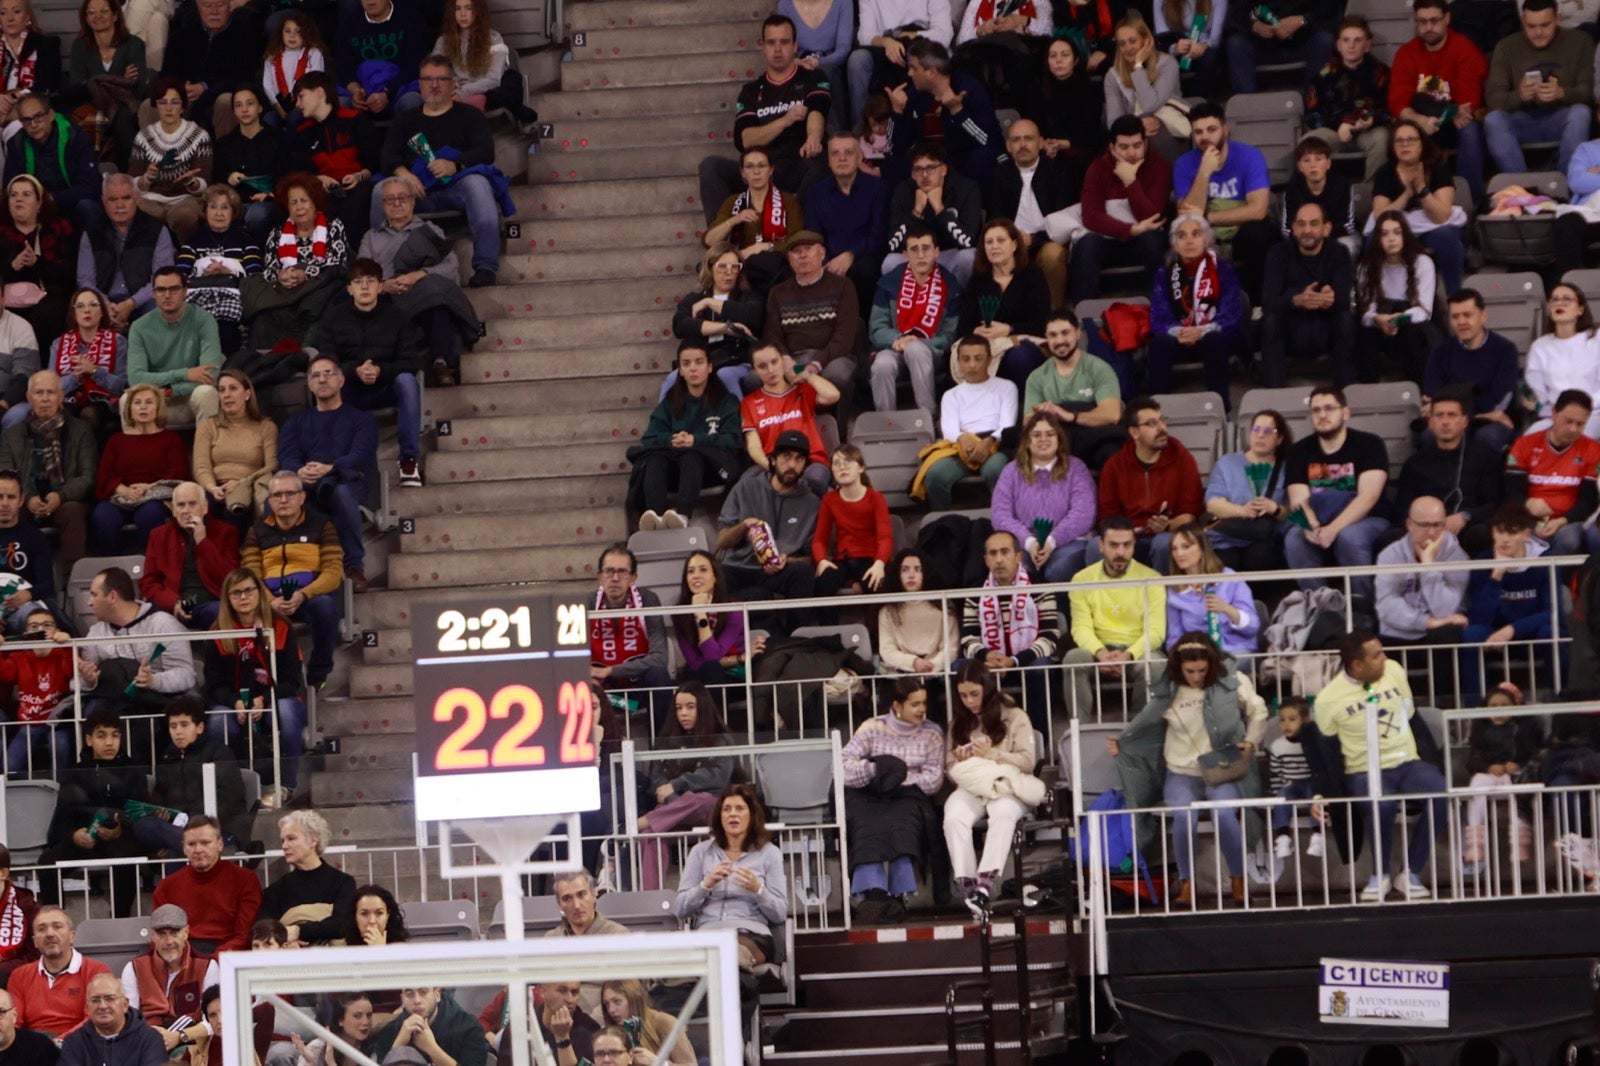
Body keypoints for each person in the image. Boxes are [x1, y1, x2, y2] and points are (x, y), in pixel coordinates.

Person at [1110, 631, 1268, 905]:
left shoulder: (1234, 680)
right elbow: (1144, 727)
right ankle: (1187, 884)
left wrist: (1251, 742)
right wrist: (1122, 743)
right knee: (1183, 817)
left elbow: (1259, 711)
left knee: (1224, 815)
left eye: (1202, 670)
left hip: (1222, 769)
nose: (1196, 676)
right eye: (1190, 671)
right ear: (1178, 668)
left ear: (1212, 664)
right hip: (1180, 770)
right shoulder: (1167, 689)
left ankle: (1238, 881)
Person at [1313, 630, 1447, 900]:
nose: (1385, 659)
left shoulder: (1395, 671)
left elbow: (1410, 716)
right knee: (1381, 803)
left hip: (1407, 761)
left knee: (1440, 792)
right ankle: (1380, 874)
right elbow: (1326, 753)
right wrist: (1321, 792)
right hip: (1363, 769)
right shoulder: (1328, 699)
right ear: (1357, 666)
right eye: (1376, 656)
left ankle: (1410, 873)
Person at [377, 54, 508, 287]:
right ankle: (382, 272)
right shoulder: (405, 120)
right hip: (415, 191)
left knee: (479, 184)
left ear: (453, 84)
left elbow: (485, 152)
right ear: (419, 84)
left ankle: (486, 266)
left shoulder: (470, 116)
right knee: (380, 190)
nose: (434, 85)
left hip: (457, 186)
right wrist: (405, 175)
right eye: (428, 79)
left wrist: (455, 164)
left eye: (441, 79)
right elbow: (387, 156)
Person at [700, 15, 829, 224]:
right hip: (761, 168)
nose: (777, 49)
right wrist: (785, 120)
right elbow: (746, 140)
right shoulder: (751, 91)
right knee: (710, 167)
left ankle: (797, 235)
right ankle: (722, 242)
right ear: (763, 46)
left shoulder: (812, 78)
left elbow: (817, 110)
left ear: (795, 46)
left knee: (824, 164)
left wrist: (814, 136)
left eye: (784, 42)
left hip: (799, 163)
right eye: (771, 42)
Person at [309, 256, 423, 488]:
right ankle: (334, 463)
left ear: (381, 287)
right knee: (325, 380)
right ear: (349, 289)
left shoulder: (398, 317)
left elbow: (410, 361)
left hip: (386, 385)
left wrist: (380, 371)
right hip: (348, 387)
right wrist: (354, 371)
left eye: (370, 281)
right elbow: (326, 358)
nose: (364, 286)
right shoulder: (333, 317)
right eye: (358, 281)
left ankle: (409, 460)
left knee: (408, 382)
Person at [356, 176, 481, 388]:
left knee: (437, 299)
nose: (397, 203)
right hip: (386, 299)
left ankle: (440, 364)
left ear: (413, 201)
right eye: (390, 199)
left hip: (422, 297)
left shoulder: (431, 231)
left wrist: (418, 275)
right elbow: (360, 274)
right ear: (382, 205)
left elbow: (450, 267)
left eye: (402, 198)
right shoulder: (371, 237)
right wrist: (383, 285)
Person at [841, 676, 945, 922]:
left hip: (908, 794)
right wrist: (877, 770)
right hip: (870, 791)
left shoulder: (932, 733)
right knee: (866, 825)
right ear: (897, 706)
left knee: (903, 824)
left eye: (924, 704)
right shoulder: (871, 727)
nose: (922, 710)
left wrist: (901, 778)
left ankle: (900, 893)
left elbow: (934, 779)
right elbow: (843, 765)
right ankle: (872, 892)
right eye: (915, 704)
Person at [944, 661, 1043, 915]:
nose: (969, 701)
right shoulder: (959, 723)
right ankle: (967, 886)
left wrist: (994, 754)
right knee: (954, 814)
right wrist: (961, 758)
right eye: (963, 695)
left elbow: (1028, 762)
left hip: (1009, 784)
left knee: (1003, 813)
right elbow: (950, 768)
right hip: (975, 785)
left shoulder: (1015, 715)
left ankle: (985, 886)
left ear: (987, 688)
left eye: (974, 694)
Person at [204, 567, 306, 806]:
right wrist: (234, 702)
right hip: (234, 701)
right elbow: (213, 683)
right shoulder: (218, 631)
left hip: (275, 697)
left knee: (288, 714)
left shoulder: (280, 626)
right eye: (236, 592)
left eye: (249, 590)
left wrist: (264, 700)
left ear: (259, 592)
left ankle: (286, 785)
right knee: (218, 721)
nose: (243, 597)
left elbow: (292, 681)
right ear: (227, 598)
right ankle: (228, 787)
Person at [276, 353, 379, 590]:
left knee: (340, 493)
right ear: (310, 385)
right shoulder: (295, 423)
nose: (322, 380)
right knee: (274, 500)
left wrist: (330, 468)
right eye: (315, 376)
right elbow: (286, 457)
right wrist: (299, 471)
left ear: (341, 381)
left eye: (328, 373)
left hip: (348, 483)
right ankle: (283, 568)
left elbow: (359, 456)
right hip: (308, 485)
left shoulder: (362, 420)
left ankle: (354, 566)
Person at [35, 710, 147, 914]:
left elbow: (141, 813)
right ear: (89, 739)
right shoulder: (74, 772)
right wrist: (74, 835)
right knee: (47, 862)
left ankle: (121, 920)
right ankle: (55, 919)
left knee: (126, 858)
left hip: (121, 840)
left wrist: (121, 830)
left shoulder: (133, 770)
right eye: (102, 735)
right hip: (83, 839)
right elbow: (63, 816)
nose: (110, 742)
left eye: (115, 735)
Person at [1283, 386, 1390, 597]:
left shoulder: (1370, 444)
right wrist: (1309, 525)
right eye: (1316, 410)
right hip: (1319, 519)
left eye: (1329, 408)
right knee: (1295, 538)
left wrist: (1333, 529)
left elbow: (1369, 496)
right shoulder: (1299, 451)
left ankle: (1362, 608)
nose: (1322, 415)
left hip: (1367, 518)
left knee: (1349, 537)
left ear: (1345, 413)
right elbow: (1298, 499)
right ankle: (1320, 605)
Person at [240, 470, 343, 689]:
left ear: (302, 497)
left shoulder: (322, 524)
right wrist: (268, 600)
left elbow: (333, 572)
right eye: (277, 495)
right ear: (269, 500)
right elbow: (250, 574)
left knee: (325, 606)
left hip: (307, 597)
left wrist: (303, 594)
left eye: (289, 493)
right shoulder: (256, 531)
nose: (283, 500)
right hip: (269, 600)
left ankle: (318, 673)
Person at [958, 529, 1064, 728]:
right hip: (989, 664)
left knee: (1041, 668)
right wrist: (988, 656)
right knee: (959, 668)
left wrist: (1014, 660)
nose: (999, 559)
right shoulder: (975, 590)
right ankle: (971, 733)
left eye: (1005, 552)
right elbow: (968, 638)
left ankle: (1040, 739)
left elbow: (1050, 637)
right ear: (985, 560)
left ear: (1018, 557)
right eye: (993, 553)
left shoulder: (1039, 586)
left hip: (1027, 661)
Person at [630, 342, 741, 531]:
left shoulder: (726, 401)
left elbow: (733, 440)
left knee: (692, 455)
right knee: (655, 459)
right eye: (687, 364)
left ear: (709, 367)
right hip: (674, 471)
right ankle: (655, 518)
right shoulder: (671, 401)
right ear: (680, 370)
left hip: (711, 469)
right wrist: (673, 439)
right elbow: (650, 438)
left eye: (699, 362)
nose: (693, 368)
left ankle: (682, 516)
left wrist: (696, 440)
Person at [1172, 102, 1276, 302]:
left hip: (1242, 231)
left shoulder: (1250, 156)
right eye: (1198, 132)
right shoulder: (1184, 164)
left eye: (1212, 130)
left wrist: (1208, 217)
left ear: (1225, 129)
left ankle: (1257, 304)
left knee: (1258, 233)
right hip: (1205, 234)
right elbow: (1187, 217)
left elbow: (1258, 210)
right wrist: (1204, 172)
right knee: (1183, 237)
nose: (1205, 137)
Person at [1065, 518, 1167, 721]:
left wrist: (1128, 655)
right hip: (1097, 650)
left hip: (1136, 652)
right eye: (1114, 545)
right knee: (1073, 658)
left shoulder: (1152, 579)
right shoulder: (1081, 579)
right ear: (1101, 546)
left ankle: (1141, 733)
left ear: (1134, 546)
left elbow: (1156, 632)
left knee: (1154, 663)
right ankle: (1079, 734)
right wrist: (1101, 653)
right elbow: (1080, 628)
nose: (1121, 552)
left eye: (1127, 545)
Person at [1389, 0, 1487, 206]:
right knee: (1404, 133)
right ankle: (1407, 200)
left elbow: (1469, 101)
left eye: (1434, 21)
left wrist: (1445, 113)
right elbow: (1397, 102)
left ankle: (1471, 202)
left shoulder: (1463, 48)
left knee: (1470, 130)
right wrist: (1419, 118)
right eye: (1422, 22)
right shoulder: (1406, 53)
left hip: (1454, 122)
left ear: (1447, 19)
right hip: (1421, 121)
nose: (1428, 27)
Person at [635, 682, 733, 889]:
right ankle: (650, 895)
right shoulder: (666, 740)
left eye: (690, 706)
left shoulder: (720, 738)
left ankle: (650, 818)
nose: (683, 713)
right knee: (650, 834)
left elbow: (719, 776)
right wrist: (674, 798)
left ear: (702, 707)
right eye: (679, 708)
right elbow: (657, 779)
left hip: (709, 808)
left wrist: (677, 784)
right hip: (675, 809)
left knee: (702, 799)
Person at [1461, 502, 1563, 701]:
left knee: (1552, 632)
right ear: (1492, 533)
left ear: (1526, 535)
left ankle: (1560, 703)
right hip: (1495, 637)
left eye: (1512, 533)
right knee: (1471, 634)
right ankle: (1473, 712)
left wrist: (1512, 630)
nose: (1505, 539)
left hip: (1531, 634)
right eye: (1500, 532)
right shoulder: (1483, 562)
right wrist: (1496, 576)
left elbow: (1552, 612)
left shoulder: (1546, 561)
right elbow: (1479, 617)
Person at [1375, 495, 1470, 704]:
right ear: (1409, 524)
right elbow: (1387, 605)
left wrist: (1428, 567)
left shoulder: (1456, 556)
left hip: (1440, 633)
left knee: (1447, 637)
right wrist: (1427, 622)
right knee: (1374, 645)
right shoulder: (1390, 556)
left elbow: (1445, 609)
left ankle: (1447, 711)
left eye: (1438, 525)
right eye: (1425, 525)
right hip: (1400, 631)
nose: (1433, 532)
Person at [1, 371, 95, 577]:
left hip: (65, 502)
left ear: (61, 396)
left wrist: (60, 496)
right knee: (6, 505)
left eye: (51, 393)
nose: (45, 399)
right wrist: (27, 498)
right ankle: (10, 578)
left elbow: (87, 477)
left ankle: (74, 580)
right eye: (39, 393)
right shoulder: (12, 434)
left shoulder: (81, 430)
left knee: (73, 511)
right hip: (26, 501)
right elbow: (6, 477)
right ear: (28, 397)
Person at [1095, 396, 1204, 573]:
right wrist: (1129, 531)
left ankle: (1162, 598)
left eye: (1162, 421)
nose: (1162, 428)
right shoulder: (1115, 465)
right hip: (1127, 535)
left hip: (1168, 534)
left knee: (1163, 543)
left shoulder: (1181, 458)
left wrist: (1168, 525)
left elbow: (1190, 514)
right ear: (1134, 432)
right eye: (1152, 424)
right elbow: (1107, 516)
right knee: (1096, 546)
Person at [1484, 0, 1594, 175]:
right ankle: (1523, 188)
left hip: (1561, 118)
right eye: (1531, 26)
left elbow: (1588, 93)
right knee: (1493, 120)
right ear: (1522, 22)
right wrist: (1519, 95)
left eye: (1545, 25)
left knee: (1581, 112)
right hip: (1522, 120)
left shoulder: (1580, 42)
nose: (1538, 32)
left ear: (1558, 19)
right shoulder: (1506, 47)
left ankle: (1565, 184)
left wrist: (1562, 93)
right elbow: (1493, 98)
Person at [1391, 390, 1502, 557]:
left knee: (1481, 534)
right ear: (1431, 422)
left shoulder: (1485, 459)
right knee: (1389, 538)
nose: (1445, 422)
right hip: (1423, 527)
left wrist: (1466, 516)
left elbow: (1495, 504)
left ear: (1464, 421)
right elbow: (1402, 507)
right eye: (1440, 416)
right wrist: (1424, 525)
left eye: (1452, 415)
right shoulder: (1415, 463)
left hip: (1466, 527)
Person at [1148, 213, 1245, 403]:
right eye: (1182, 236)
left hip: (1215, 334)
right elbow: (1159, 317)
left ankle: (1220, 407)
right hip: (1179, 336)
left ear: (1206, 239)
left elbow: (1231, 312)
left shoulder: (1223, 269)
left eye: (1196, 234)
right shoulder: (1164, 274)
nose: (1189, 241)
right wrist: (1181, 332)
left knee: (1214, 340)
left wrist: (1201, 331)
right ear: (1175, 243)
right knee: (1159, 344)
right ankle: (1157, 407)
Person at [716, 429, 820, 603]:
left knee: (803, 572)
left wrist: (789, 560)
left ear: (805, 466)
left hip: (780, 571)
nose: (792, 465)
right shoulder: (746, 488)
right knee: (717, 576)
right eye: (786, 457)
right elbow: (722, 541)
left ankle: (797, 631)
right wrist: (744, 526)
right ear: (773, 460)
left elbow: (813, 556)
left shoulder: (812, 503)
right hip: (741, 567)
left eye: (799, 459)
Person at [989, 412, 1095, 583]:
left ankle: (1059, 610)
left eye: (1050, 434)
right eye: (1036, 435)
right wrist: (1029, 542)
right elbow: (1000, 515)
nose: (1043, 439)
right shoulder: (1011, 471)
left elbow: (1083, 514)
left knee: (1059, 568)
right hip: (1024, 544)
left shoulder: (1076, 468)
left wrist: (1052, 541)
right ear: (1027, 441)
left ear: (1059, 439)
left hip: (1069, 542)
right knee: (1015, 567)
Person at [133, 697, 248, 853]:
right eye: (173, 726)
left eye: (184, 725)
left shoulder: (219, 752)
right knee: (143, 825)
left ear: (199, 727)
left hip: (218, 829)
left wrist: (190, 821)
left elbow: (230, 797)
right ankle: (185, 842)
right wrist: (162, 814)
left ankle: (184, 843)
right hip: (176, 829)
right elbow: (159, 798)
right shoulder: (168, 758)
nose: (178, 732)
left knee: (175, 853)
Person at [1261, 201, 1355, 388]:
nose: (1307, 230)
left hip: (1325, 329)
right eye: (1301, 224)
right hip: (1291, 331)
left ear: (1326, 228)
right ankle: (1274, 393)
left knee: (1345, 319)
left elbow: (1344, 301)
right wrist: (1298, 300)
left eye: (1314, 224)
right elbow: (1268, 302)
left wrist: (1329, 299)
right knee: (1270, 320)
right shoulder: (1278, 253)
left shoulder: (1339, 252)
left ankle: (1346, 391)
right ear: (1293, 228)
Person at [761, 230, 860, 409]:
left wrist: (815, 365)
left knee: (837, 374)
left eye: (808, 249)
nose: (803, 255)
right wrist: (785, 360)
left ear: (822, 254)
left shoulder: (843, 286)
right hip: (794, 358)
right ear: (790, 259)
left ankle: (837, 432)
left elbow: (844, 336)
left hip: (832, 357)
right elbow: (772, 334)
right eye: (797, 251)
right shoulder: (777, 292)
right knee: (756, 377)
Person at [868, 223, 960, 415]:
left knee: (916, 350)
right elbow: (876, 327)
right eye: (914, 249)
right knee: (882, 364)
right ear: (905, 255)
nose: (920, 255)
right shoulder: (890, 283)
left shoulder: (950, 285)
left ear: (936, 252)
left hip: (933, 352)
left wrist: (919, 343)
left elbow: (952, 335)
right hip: (895, 348)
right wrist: (897, 339)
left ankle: (927, 416)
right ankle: (885, 423)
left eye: (926, 249)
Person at [89, 383, 188, 555]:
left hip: (155, 497)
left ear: (158, 408)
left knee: (149, 513)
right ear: (129, 409)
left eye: (149, 402)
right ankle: (110, 570)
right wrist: (122, 489)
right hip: (120, 497)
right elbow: (104, 475)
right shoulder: (116, 441)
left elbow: (179, 474)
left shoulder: (171, 439)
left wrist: (150, 487)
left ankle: (151, 567)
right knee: (102, 515)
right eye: (137, 402)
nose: (143, 407)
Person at [918, 334, 1016, 509]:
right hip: (961, 446)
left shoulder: (1006, 387)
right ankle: (942, 523)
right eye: (966, 359)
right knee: (935, 475)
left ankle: (1003, 521)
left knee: (996, 470)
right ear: (958, 362)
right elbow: (948, 429)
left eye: (978, 359)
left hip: (994, 445)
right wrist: (963, 440)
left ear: (989, 360)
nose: (972, 365)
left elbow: (1007, 425)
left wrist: (989, 442)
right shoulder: (951, 395)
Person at [1368, 118, 1465, 294]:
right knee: (1370, 242)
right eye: (1399, 140)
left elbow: (1442, 215)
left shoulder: (1437, 167)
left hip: (1431, 227)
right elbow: (1380, 216)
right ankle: (1378, 299)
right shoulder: (1385, 172)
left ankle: (1455, 297)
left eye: (1411, 140)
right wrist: (1406, 195)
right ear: (1392, 146)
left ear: (1422, 144)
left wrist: (1422, 189)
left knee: (1448, 237)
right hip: (1398, 228)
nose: (1405, 145)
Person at [1020, 310, 1125, 470]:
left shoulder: (1100, 369)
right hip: (1056, 442)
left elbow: (1112, 415)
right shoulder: (1036, 377)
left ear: (1078, 333)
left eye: (1065, 333)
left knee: (1112, 453)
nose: (1060, 340)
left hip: (1093, 439)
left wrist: (1070, 416)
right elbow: (1029, 421)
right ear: (1046, 338)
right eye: (1053, 335)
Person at [986, 119, 1072, 309]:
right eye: (1016, 140)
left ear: (1041, 143)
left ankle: (1053, 317)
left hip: (1046, 241)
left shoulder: (1057, 173)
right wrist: (1013, 240)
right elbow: (995, 219)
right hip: (1011, 244)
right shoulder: (999, 175)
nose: (1023, 145)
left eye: (1028, 139)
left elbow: (1065, 222)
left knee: (1053, 253)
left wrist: (1034, 239)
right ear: (1008, 146)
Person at [1506, 388, 1600, 557]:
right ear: (1554, 414)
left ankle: (1554, 582)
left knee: (1569, 540)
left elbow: (1589, 500)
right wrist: (1527, 505)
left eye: (1580, 424)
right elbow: (1511, 492)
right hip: (1527, 517)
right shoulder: (1524, 445)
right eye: (1568, 421)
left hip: (1569, 521)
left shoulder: (1593, 450)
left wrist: (1561, 521)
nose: (1573, 429)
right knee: (1513, 535)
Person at [1424, 288, 1520, 453]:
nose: (1461, 322)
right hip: (1454, 419)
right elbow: (1434, 397)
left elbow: (1500, 400)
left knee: (1487, 437)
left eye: (1467, 315)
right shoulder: (1440, 352)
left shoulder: (1505, 350)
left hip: (1491, 424)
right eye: (1455, 317)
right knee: (1428, 436)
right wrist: (1477, 414)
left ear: (1483, 316)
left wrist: (1466, 412)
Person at [802, 133, 888, 315]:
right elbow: (814, 236)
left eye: (848, 153)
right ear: (829, 161)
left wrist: (850, 255)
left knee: (864, 271)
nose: (842, 158)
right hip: (828, 261)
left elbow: (879, 235)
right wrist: (825, 263)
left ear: (859, 158)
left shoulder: (878, 189)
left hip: (865, 258)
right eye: (835, 153)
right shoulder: (815, 193)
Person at [958, 217, 1049, 388]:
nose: (994, 246)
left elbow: (1042, 324)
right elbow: (962, 327)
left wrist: (1009, 329)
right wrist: (976, 331)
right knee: (966, 356)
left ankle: (1024, 408)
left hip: (1024, 345)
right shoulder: (977, 281)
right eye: (989, 242)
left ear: (1014, 244)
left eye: (1001, 240)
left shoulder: (1033, 275)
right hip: (988, 347)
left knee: (1019, 356)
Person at [126, 266, 223, 427]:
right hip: (155, 400)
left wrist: (170, 390)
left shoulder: (204, 320)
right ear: (153, 294)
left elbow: (210, 374)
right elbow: (136, 378)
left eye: (174, 289)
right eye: (161, 290)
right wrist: (184, 374)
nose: (167, 295)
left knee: (207, 393)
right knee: (125, 401)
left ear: (185, 291)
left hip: (189, 397)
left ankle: (204, 451)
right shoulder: (139, 327)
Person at [152, 815, 262, 954]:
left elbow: (244, 936)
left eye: (205, 843)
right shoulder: (166, 887)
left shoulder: (245, 880)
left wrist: (211, 962)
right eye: (191, 844)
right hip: (183, 958)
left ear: (220, 844)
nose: (198, 849)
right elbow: (160, 938)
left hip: (227, 958)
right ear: (184, 848)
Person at [77, 172, 175, 329]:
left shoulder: (156, 230)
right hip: (103, 303)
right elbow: (85, 280)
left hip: (143, 303)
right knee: (80, 306)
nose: (120, 205)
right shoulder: (91, 232)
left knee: (161, 306)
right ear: (103, 201)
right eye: (113, 199)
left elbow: (161, 281)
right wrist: (105, 305)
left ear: (137, 198)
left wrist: (131, 303)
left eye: (126, 198)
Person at [288, 70, 379, 238]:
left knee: (361, 197)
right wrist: (318, 179)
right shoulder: (302, 131)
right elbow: (299, 171)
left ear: (320, 93)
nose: (298, 105)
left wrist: (358, 176)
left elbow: (373, 163)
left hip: (357, 187)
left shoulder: (355, 119)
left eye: (301, 96)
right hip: (321, 191)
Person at [738, 344, 838, 496]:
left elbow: (833, 395)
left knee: (813, 480)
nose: (771, 370)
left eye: (774, 362)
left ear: (783, 362)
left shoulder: (802, 390)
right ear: (755, 371)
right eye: (762, 366)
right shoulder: (749, 402)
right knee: (746, 484)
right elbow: (753, 446)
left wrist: (806, 375)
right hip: (772, 463)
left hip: (810, 461)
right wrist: (773, 467)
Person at [704, 146, 803, 299]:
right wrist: (734, 220)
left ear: (771, 170)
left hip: (775, 266)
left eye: (762, 166)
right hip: (743, 266)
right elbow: (709, 241)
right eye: (750, 167)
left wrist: (765, 247)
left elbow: (796, 240)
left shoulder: (788, 201)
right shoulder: (733, 202)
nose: (756, 172)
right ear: (743, 173)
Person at [176, 183, 263, 354]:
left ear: (234, 211)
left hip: (233, 301)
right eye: (213, 207)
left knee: (227, 331)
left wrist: (229, 273)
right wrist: (203, 274)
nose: (218, 213)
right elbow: (180, 274)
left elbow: (255, 276)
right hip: (199, 301)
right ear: (205, 211)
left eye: (225, 207)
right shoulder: (194, 240)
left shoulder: (246, 240)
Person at [60, 0, 146, 173]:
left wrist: (98, 81)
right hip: (92, 102)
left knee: (122, 116)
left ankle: (128, 175)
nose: (97, 16)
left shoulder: (133, 44)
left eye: (103, 11)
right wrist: (119, 78)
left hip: (125, 103)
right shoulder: (80, 46)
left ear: (115, 15)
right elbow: (78, 85)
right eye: (91, 12)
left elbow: (138, 84)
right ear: (86, 18)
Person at [1461, 686, 1540, 874]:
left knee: (1515, 786)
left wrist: (1518, 765)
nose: (1498, 709)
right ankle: (1476, 844)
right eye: (1493, 705)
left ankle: (1519, 842)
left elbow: (1535, 755)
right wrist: (1487, 767)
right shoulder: (1480, 728)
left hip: (1515, 774)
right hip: (1489, 773)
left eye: (1504, 705)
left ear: (1515, 706)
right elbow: (1472, 760)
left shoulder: (1524, 728)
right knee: (1477, 784)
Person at [117, 902, 216, 1051]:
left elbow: (215, 1021)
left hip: (190, 1043)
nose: (169, 942)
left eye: (174, 933)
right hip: (146, 1042)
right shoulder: (134, 968)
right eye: (162, 934)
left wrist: (179, 1036)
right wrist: (152, 1037)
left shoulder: (207, 966)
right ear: (153, 936)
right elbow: (127, 1019)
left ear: (186, 932)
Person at [1354, 210, 1438, 385]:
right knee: (1365, 336)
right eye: (1385, 234)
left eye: (1397, 232)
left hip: (1410, 323)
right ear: (1378, 239)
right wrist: (1378, 320)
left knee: (1412, 332)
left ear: (1405, 235)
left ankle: (1421, 391)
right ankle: (1367, 392)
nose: (1391, 239)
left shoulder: (1422, 263)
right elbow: (1365, 313)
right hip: (1380, 323)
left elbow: (1424, 311)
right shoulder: (1366, 267)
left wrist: (1400, 319)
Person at [1303, 16, 1392, 180]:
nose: (1351, 45)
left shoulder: (1381, 73)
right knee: (1310, 141)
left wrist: (1372, 119)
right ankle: (1316, 196)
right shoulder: (1323, 76)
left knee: (1382, 138)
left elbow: (1391, 109)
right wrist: (1340, 125)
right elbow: (1312, 115)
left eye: (1357, 40)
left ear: (1367, 45)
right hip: (1333, 131)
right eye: (1346, 40)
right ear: (1338, 45)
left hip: (1368, 130)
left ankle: (1375, 195)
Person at [881, 141, 982, 284]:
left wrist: (940, 210)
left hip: (950, 254)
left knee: (968, 258)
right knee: (890, 262)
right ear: (912, 174)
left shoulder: (966, 188)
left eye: (931, 168)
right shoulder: (903, 190)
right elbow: (892, 245)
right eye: (918, 169)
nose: (924, 175)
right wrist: (916, 212)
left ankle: (959, 303)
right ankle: (907, 305)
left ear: (944, 170)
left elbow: (968, 242)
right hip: (917, 256)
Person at [671, 244, 763, 399]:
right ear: (710, 268)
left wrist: (710, 303)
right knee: (671, 379)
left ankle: (738, 421)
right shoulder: (694, 299)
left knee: (725, 375)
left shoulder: (748, 296)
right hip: (703, 361)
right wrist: (724, 328)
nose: (729, 272)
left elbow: (752, 316)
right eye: (722, 266)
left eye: (735, 266)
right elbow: (680, 325)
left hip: (737, 360)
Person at [1205, 411, 1291, 573]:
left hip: (1264, 539)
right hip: (1226, 537)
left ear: (1279, 439)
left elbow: (1291, 512)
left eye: (1268, 431)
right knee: (1224, 564)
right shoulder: (1227, 463)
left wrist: (1275, 508)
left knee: (1259, 558)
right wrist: (1242, 510)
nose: (1260, 435)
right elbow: (1213, 504)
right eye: (1256, 429)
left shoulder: (1286, 468)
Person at [158, 0, 263, 132]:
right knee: (149, 105)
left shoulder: (245, 36)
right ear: (198, 7)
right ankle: (157, 151)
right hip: (183, 96)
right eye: (207, 6)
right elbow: (168, 74)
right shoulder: (181, 36)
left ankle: (225, 151)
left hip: (219, 95)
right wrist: (180, 87)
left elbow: (244, 77)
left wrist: (205, 87)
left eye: (220, 5)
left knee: (226, 101)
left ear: (229, 6)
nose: (214, 11)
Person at [588, 544, 671, 711]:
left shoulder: (647, 599)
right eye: (609, 571)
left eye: (622, 572)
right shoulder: (587, 603)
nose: (615, 578)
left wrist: (610, 671)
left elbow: (660, 657)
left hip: (638, 689)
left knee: (659, 675)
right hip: (602, 693)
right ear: (600, 577)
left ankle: (662, 738)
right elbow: (571, 657)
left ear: (633, 578)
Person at [255, 809, 357, 945]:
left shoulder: (343, 883)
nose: (284, 846)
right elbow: (264, 931)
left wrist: (297, 931)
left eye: (291, 838)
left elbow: (342, 925)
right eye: (282, 840)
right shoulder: (276, 890)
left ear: (313, 840)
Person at [0, 174, 76, 351]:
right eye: (13, 195)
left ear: (39, 203)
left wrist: (37, 263)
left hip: (50, 298)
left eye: (26, 194)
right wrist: (13, 267)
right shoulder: (2, 232)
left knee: (49, 314)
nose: (19, 199)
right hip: (6, 299)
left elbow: (69, 274)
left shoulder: (59, 228)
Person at [9, 907, 112, 1036]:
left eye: (57, 927)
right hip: (34, 1048)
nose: (50, 934)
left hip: (82, 1047)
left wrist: (60, 1042)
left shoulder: (97, 972)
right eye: (42, 929)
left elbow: (94, 1020)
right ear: (35, 941)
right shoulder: (19, 976)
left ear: (72, 936)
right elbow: (13, 1022)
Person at [130, 78, 211, 241]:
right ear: (156, 106)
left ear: (182, 107)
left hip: (186, 199)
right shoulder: (143, 137)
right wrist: (147, 178)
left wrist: (191, 181)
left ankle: (187, 257)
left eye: (174, 102)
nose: (168, 108)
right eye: (162, 102)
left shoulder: (199, 136)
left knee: (184, 215)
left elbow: (204, 185)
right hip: (151, 198)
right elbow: (134, 183)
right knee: (138, 209)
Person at [433, 0, 536, 125]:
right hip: (453, 93)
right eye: (458, 9)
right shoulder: (443, 42)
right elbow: (434, 72)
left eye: (468, 8)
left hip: (484, 90)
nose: (463, 14)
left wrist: (465, 92)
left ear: (477, 11)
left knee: (510, 81)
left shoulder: (493, 38)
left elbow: (493, 79)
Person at [193, 368, 276, 524]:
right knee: (207, 506)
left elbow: (272, 464)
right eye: (222, 390)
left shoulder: (266, 426)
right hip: (215, 488)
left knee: (237, 511)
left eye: (233, 388)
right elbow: (201, 466)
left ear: (246, 394)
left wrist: (242, 482)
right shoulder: (208, 426)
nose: (226, 395)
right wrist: (212, 488)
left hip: (248, 487)